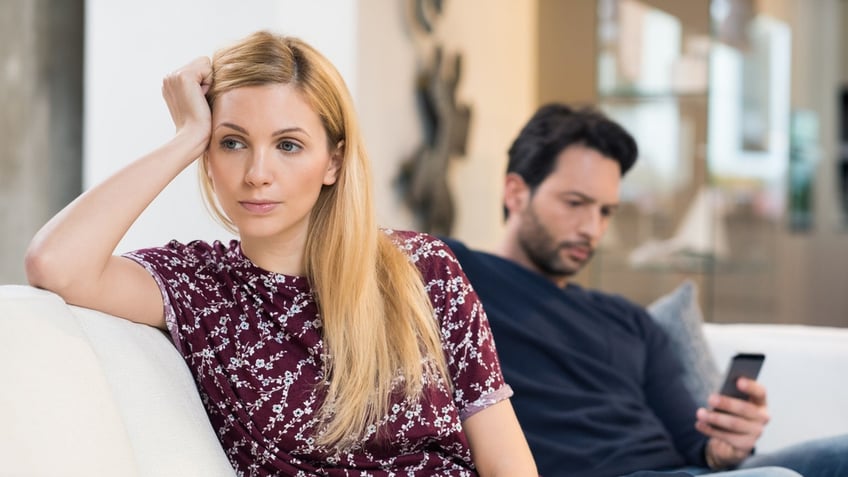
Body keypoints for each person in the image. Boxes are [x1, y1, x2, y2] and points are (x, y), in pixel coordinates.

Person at [24, 31, 537, 477]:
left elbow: (506, 462)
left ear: (333, 160)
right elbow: (55, 263)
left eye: (288, 145)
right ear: (207, 160)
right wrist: (186, 137)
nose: (257, 173)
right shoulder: (200, 287)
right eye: (232, 143)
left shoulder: (421, 268)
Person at [442, 103, 848, 477]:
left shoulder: (630, 319)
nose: (592, 228)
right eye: (575, 203)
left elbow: (697, 444)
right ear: (515, 192)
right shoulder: (455, 277)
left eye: (606, 212)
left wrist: (726, 446)